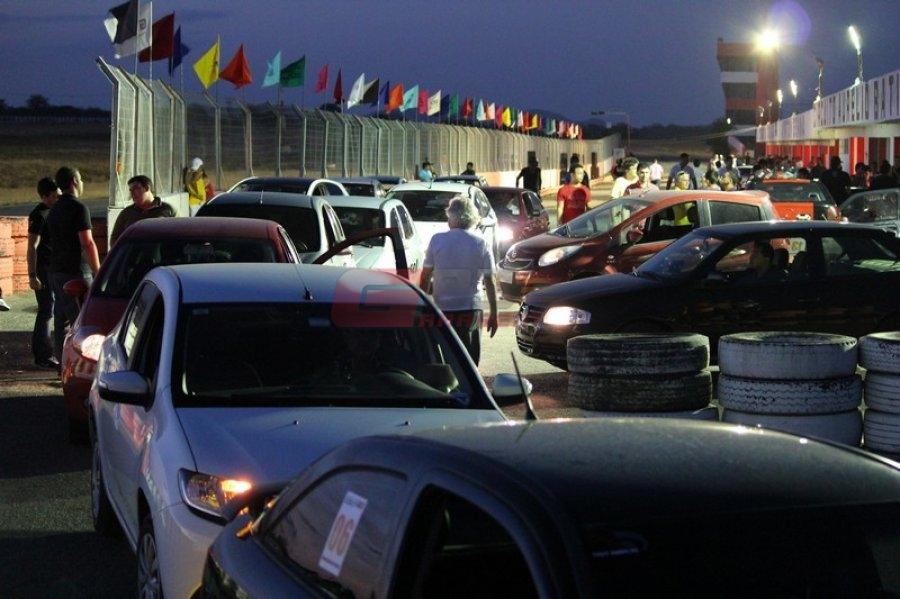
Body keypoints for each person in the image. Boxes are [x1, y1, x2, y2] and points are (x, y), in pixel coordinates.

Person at [420, 196, 498, 365]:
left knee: (445, 357)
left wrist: (422, 305)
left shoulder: (437, 240)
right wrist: (494, 313)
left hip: (442, 308)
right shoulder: (481, 243)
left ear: (451, 217)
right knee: (469, 359)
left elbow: (425, 276)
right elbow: (490, 280)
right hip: (470, 308)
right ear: (473, 218)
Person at [45, 166, 100, 362]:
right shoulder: (79, 208)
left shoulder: (54, 209)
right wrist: (98, 271)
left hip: (55, 271)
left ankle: (62, 361)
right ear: (75, 182)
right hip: (75, 272)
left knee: (61, 320)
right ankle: (81, 364)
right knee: (82, 320)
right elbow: (87, 242)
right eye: (81, 179)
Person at [27, 177, 60, 369]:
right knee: (46, 310)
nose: (59, 198)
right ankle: (43, 355)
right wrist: (32, 275)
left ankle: (48, 352)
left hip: (54, 267)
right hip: (43, 269)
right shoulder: (39, 215)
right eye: (56, 196)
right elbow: (32, 246)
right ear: (46, 196)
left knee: (52, 310)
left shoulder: (54, 212)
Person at [110, 175, 177, 246]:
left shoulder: (167, 209)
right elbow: (115, 238)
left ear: (147, 188)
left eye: (135, 188)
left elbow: (178, 234)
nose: (132, 193)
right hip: (135, 252)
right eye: (130, 190)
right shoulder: (126, 213)